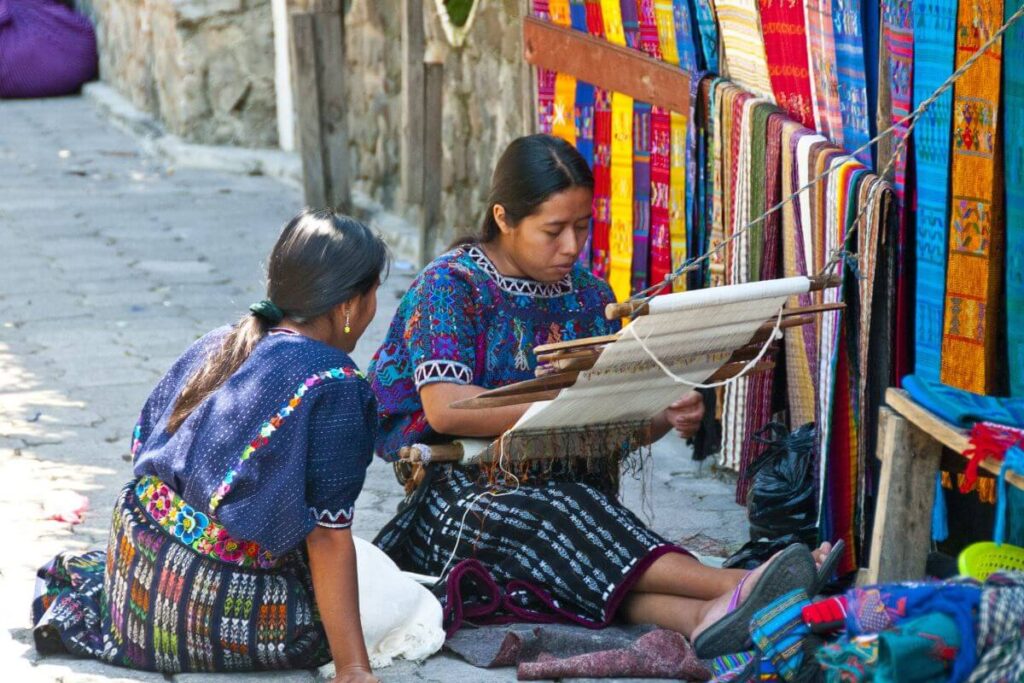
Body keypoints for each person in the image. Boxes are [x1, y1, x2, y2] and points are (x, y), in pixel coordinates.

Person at [369, 135, 834, 653]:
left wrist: (665, 409)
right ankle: (742, 585)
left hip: (575, 495)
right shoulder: (451, 287)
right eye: (554, 230)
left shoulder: (592, 297)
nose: (571, 245)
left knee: (579, 535)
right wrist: (564, 409)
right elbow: (447, 406)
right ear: (503, 217)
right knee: (557, 519)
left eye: (582, 226)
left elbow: (623, 424)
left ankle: (704, 615)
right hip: (462, 498)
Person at [32, 210, 389, 683]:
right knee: (394, 601)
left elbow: (145, 443)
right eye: (374, 294)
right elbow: (327, 536)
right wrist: (353, 667)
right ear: (348, 305)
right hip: (209, 603)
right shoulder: (337, 384)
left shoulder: (220, 341)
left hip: (136, 579)